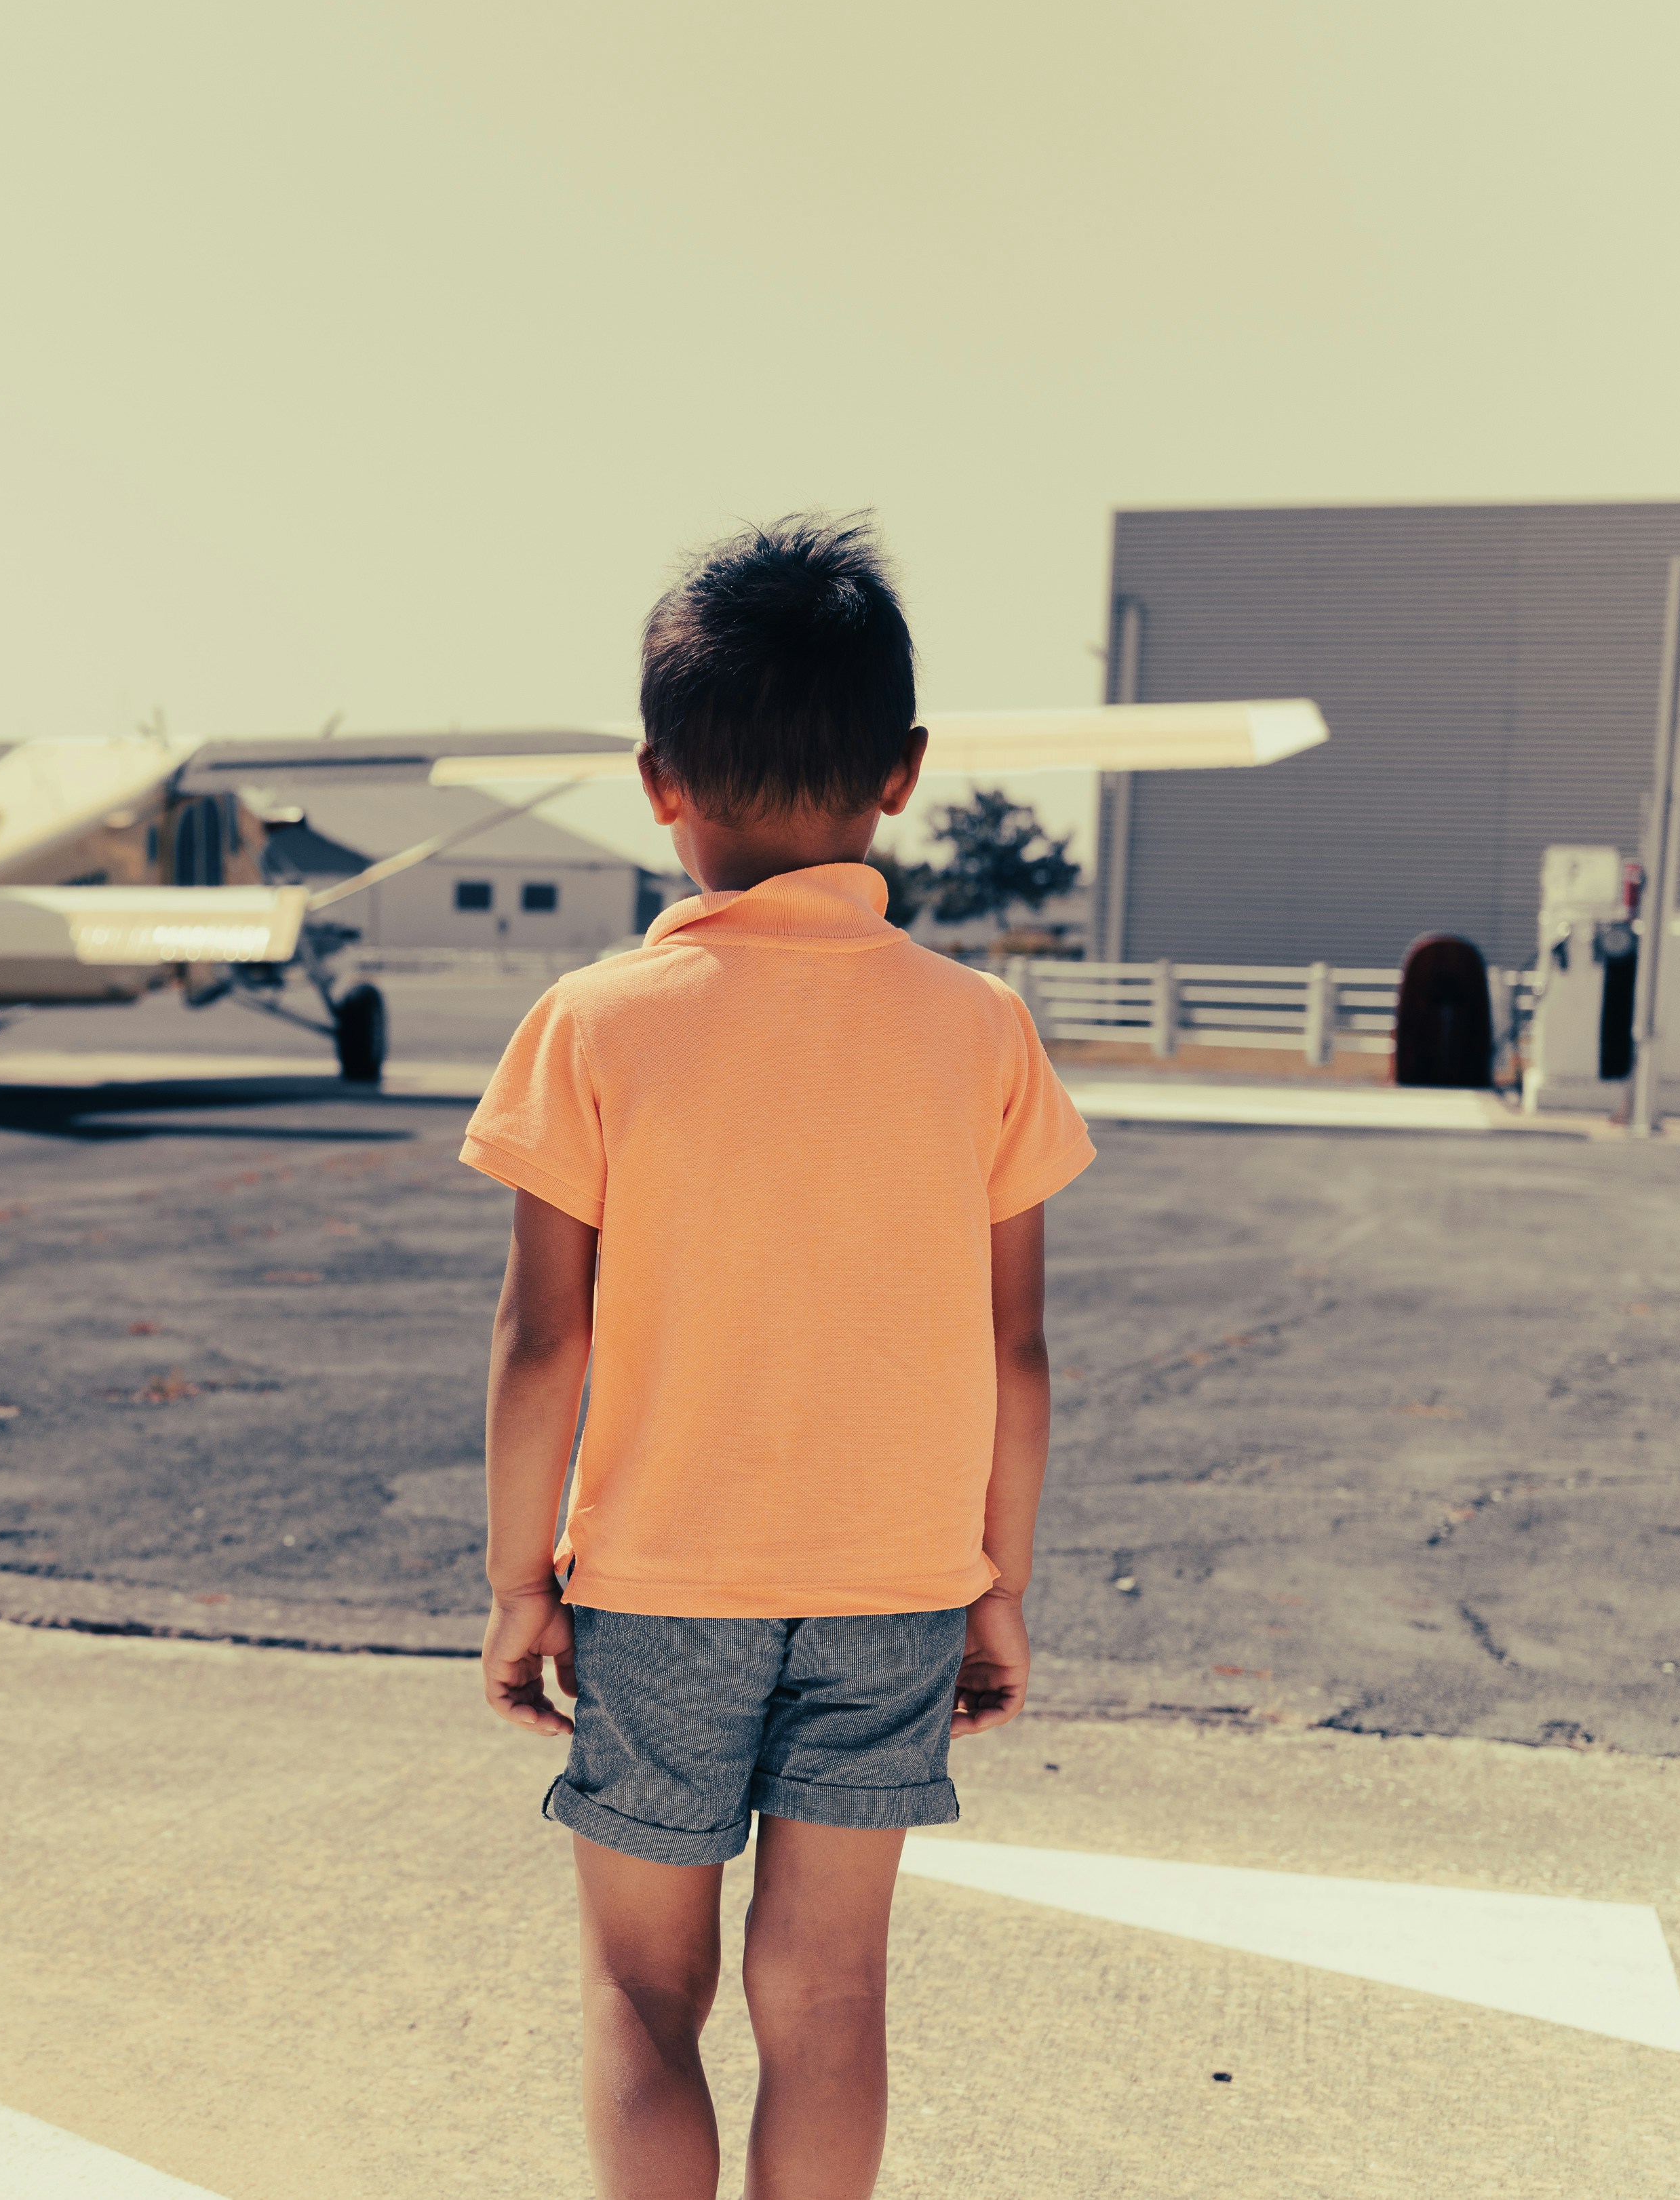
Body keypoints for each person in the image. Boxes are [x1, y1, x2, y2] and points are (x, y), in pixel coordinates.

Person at [463, 517, 1091, 2199]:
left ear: (656, 779)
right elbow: (1015, 1349)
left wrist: (525, 1583)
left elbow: (542, 1342)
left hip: (663, 1583)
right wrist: (997, 1581)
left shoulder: (591, 1025)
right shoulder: (981, 1030)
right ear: (904, 772)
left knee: (640, 1985)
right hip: (893, 1582)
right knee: (826, 1994)